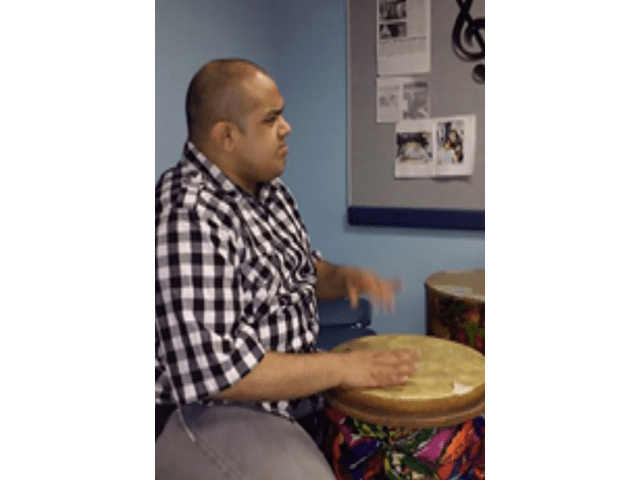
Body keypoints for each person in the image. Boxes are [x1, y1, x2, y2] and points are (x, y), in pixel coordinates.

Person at [155, 59, 421, 480]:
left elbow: (304, 272)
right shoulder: (187, 212)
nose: (287, 128)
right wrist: (341, 368)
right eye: (271, 119)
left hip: (293, 393)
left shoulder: (271, 191)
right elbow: (217, 370)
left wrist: (344, 278)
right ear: (226, 135)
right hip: (214, 409)